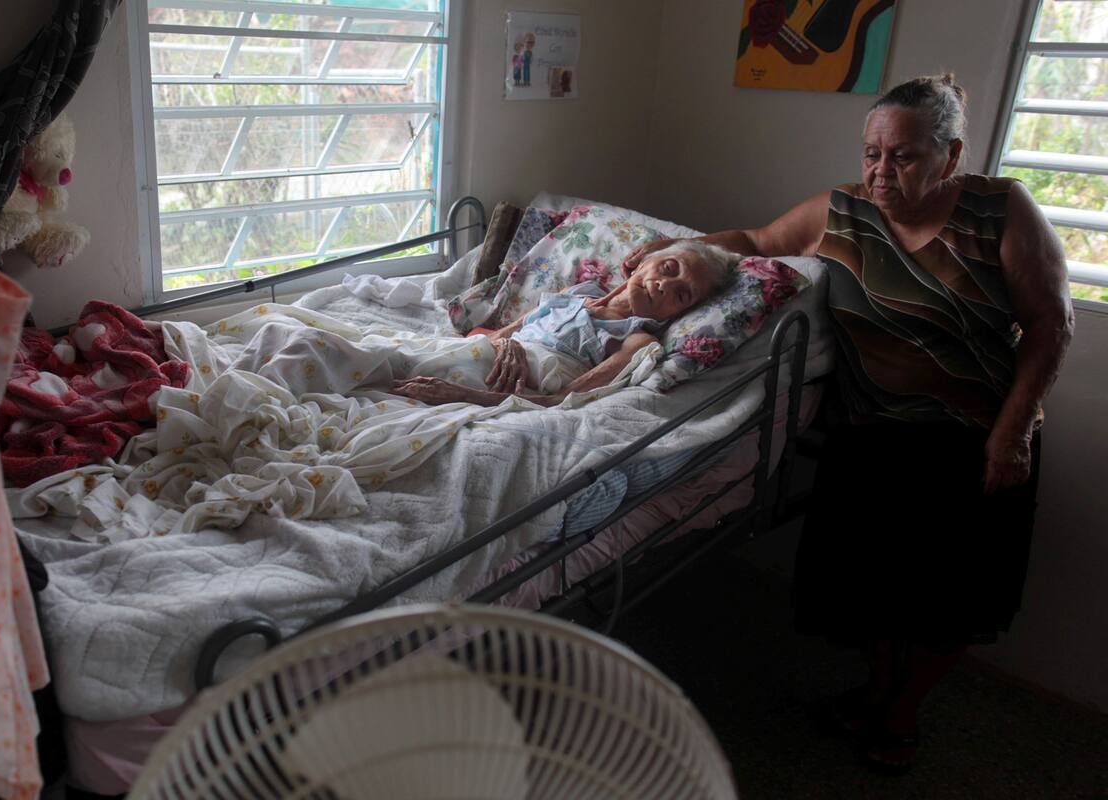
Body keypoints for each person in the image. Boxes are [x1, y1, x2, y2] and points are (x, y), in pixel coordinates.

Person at [622, 74, 1074, 773]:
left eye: (904, 157)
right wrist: (664, 256)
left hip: (975, 438)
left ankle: (900, 712)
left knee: (947, 598)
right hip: (872, 432)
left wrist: (1011, 434)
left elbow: (1051, 324)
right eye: (871, 154)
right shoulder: (843, 211)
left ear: (950, 157)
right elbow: (755, 239)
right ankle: (876, 689)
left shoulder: (999, 211)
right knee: (870, 590)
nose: (880, 172)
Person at [391, 240, 733, 407]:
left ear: (677, 314)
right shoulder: (579, 291)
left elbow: (558, 402)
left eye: (682, 294)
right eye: (669, 269)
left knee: (376, 373)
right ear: (644, 262)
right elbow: (503, 336)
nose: (663, 285)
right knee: (377, 356)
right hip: (483, 357)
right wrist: (506, 342)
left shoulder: (637, 341)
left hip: (487, 387)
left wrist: (459, 395)